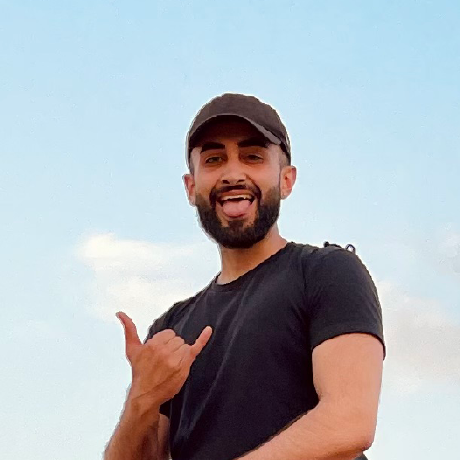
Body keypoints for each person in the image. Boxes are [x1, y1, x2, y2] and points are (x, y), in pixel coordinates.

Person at [104, 93, 385, 460]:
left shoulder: (327, 272)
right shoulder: (170, 329)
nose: (233, 174)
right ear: (191, 187)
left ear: (286, 180)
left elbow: (349, 421)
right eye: (214, 159)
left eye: (253, 157)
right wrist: (141, 399)